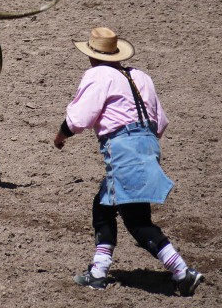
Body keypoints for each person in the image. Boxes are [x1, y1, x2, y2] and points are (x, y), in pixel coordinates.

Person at [53, 27, 204, 297]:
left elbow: (78, 119)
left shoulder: (97, 75)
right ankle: (98, 271)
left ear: (91, 55)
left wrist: (60, 136)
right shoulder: (140, 76)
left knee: (136, 220)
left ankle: (182, 271)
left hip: (123, 150)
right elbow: (161, 122)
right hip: (148, 145)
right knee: (103, 205)